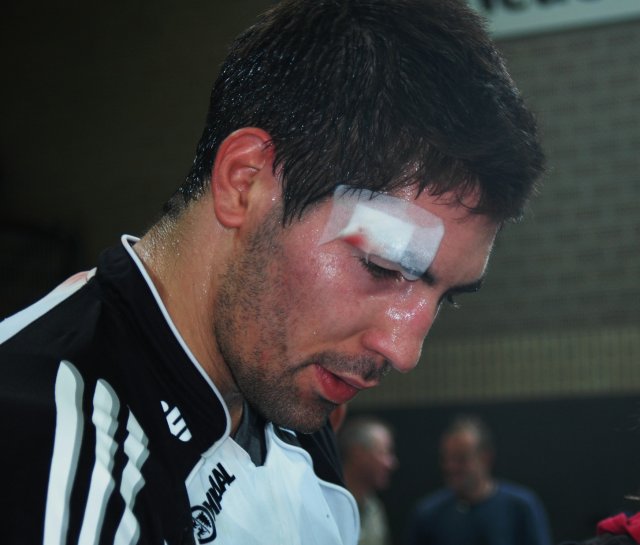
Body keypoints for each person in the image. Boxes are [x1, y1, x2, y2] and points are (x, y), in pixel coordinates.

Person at [0, 0, 545, 543]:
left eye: (445, 297)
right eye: (381, 267)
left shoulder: (285, 378)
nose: (404, 352)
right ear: (245, 184)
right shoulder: (53, 451)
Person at [406, 415, 553, 545]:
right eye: (447, 459)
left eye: (461, 459)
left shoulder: (520, 507)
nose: (451, 467)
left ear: (485, 458)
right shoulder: (428, 514)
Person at [339, 417, 398, 545]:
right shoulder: (328, 504)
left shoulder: (375, 509)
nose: (391, 464)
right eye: (384, 453)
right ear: (357, 453)